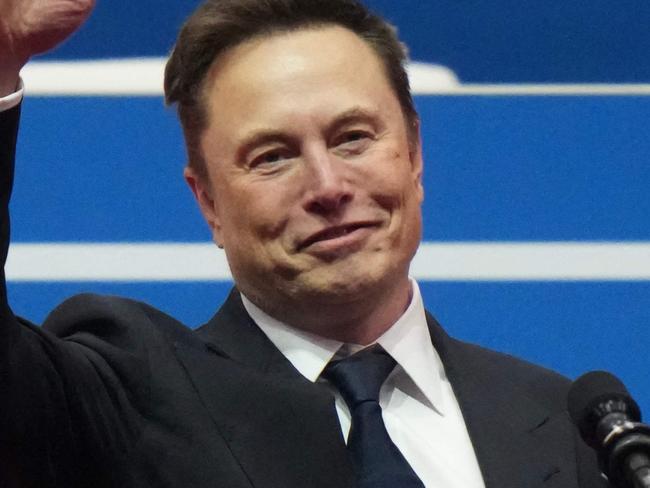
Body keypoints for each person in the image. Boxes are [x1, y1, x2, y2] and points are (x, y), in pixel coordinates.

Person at [0, 0, 607, 487]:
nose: (328, 186)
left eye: (352, 138)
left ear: (415, 155)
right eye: (272, 157)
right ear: (208, 202)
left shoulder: (569, 425)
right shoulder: (128, 398)